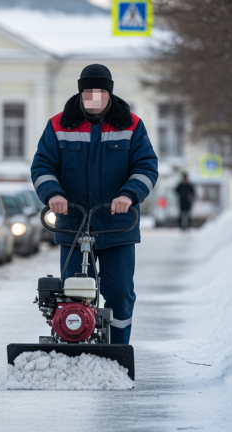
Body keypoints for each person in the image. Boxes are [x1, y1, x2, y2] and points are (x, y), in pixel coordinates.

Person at [31, 63, 158, 345]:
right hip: (74, 225)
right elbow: (42, 167)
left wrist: (128, 195)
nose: (93, 98)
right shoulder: (58, 125)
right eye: (88, 92)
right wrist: (54, 195)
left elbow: (146, 167)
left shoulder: (131, 125)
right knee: (73, 291)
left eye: (99, 92)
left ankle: (118, 345)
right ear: (80, 93)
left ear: (109, 93)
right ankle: (73, 341)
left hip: (117, 227)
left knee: (119, 292)